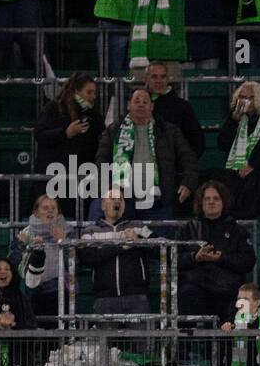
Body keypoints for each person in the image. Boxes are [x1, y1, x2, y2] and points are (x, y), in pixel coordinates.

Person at [96, 87, 198, 220]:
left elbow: (188, 158)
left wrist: (188, 182)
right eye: (137, 101)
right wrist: (107, 189)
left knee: (159, 240)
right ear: (128, 105)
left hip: (158, 201)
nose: (141, 104)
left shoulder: (169, 131)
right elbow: (101, 161)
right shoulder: (114, 130)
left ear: (152, 106)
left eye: (145, 102)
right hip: (123, 200)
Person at [177, 180, 257, 324]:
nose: (211, 202)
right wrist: (195, 257)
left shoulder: (237, 231)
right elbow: (174, 259)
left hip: (227, 291)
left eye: (216, 198)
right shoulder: (188, 229)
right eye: (207, 198)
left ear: (223, 202)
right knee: (187, 295)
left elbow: (248, 261)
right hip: (195, 289)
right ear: (200, 202)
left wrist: (222, 259)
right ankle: (185, 345)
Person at [82, 190, 155, 317]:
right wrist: (122, 245)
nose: (117, 201)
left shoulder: (137, 227)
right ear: (103, 205)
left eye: (120, 199)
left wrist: (139, 240)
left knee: (139, 337)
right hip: (104, 298)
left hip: (136, 297)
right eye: (112, 198)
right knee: (105, 337)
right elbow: (87, 259)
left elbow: (161, 248)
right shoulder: (90, 231)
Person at [217, 80, 260, 217]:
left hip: (257, 173)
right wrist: (233, 121)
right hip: (234, 173)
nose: (245, 101)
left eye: (250, 97)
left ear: (259, 99)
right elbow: (222, 144)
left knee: (251, 182)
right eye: (242, 97)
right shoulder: (234, 120)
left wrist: (252, 165)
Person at [35, 74, 104, 200]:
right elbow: (40, 134)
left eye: (95, 93)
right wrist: (65, 133)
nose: (93, 97)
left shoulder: (93, 114)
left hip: (82, 177)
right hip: (56, 177)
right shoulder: (54, 107)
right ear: (76, 91)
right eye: (89, 92)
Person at [11, 194, 71, 322]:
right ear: (36, 212)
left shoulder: (66, 233)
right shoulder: (24, 235)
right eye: (45, 208)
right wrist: (24, 246)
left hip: (58, 291)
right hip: (30, 293)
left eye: (53, 208)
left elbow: (74, 264)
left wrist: (63, 242)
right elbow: (12, 264)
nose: (50, 211)